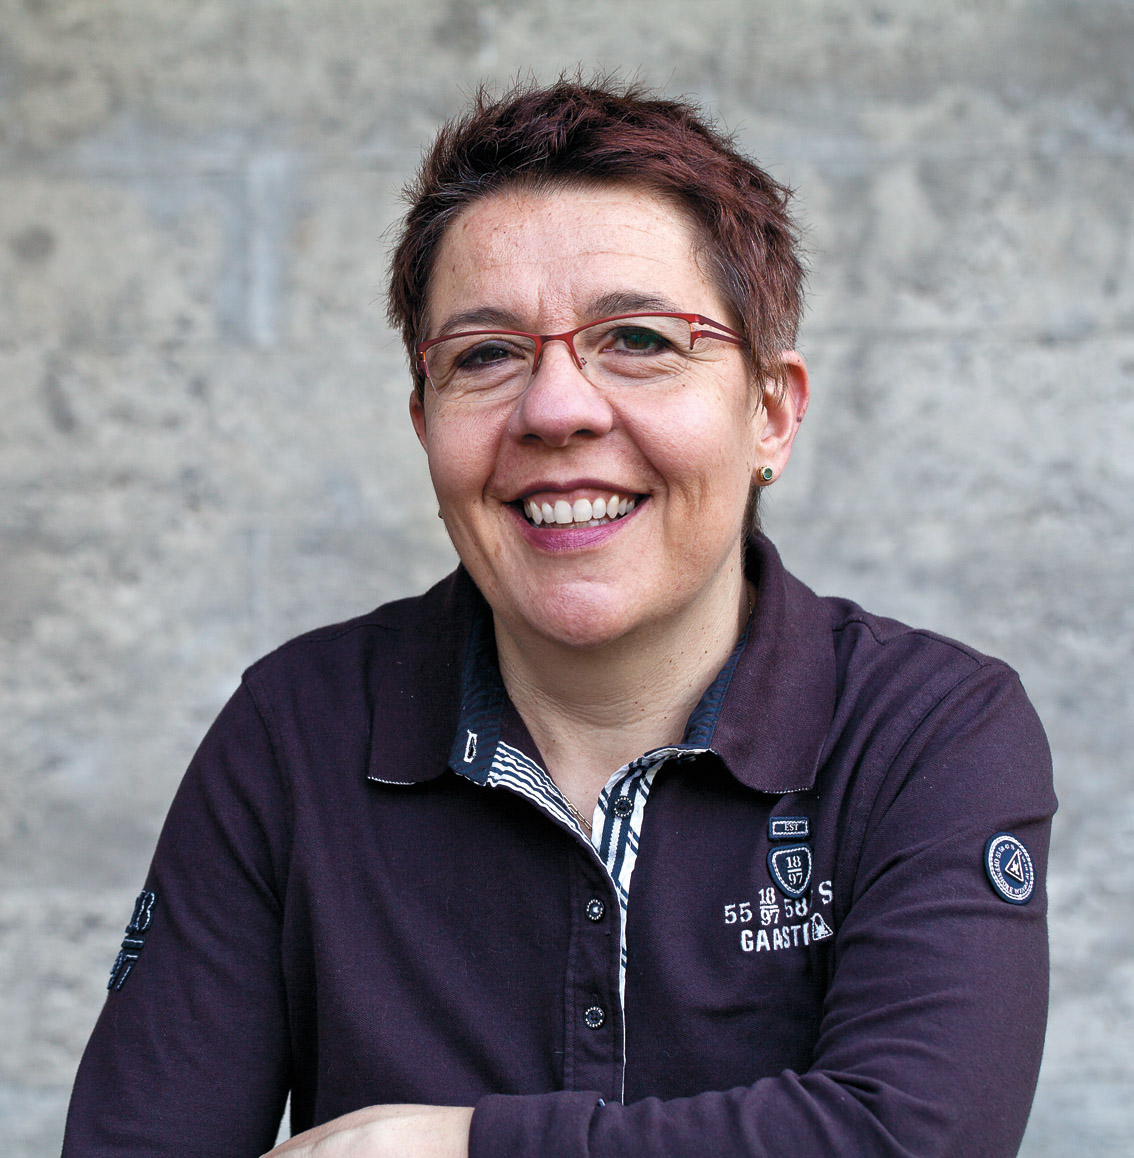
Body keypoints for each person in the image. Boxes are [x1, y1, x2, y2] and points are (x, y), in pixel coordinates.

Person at [63, 78, 1056, 1158]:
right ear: (424, 421)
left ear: (771, 412)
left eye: (639, 338)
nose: (556, 409)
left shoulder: (927, 733)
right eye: (485, 355)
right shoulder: (294, 734)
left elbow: (916, 1139)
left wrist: (450, 1149)